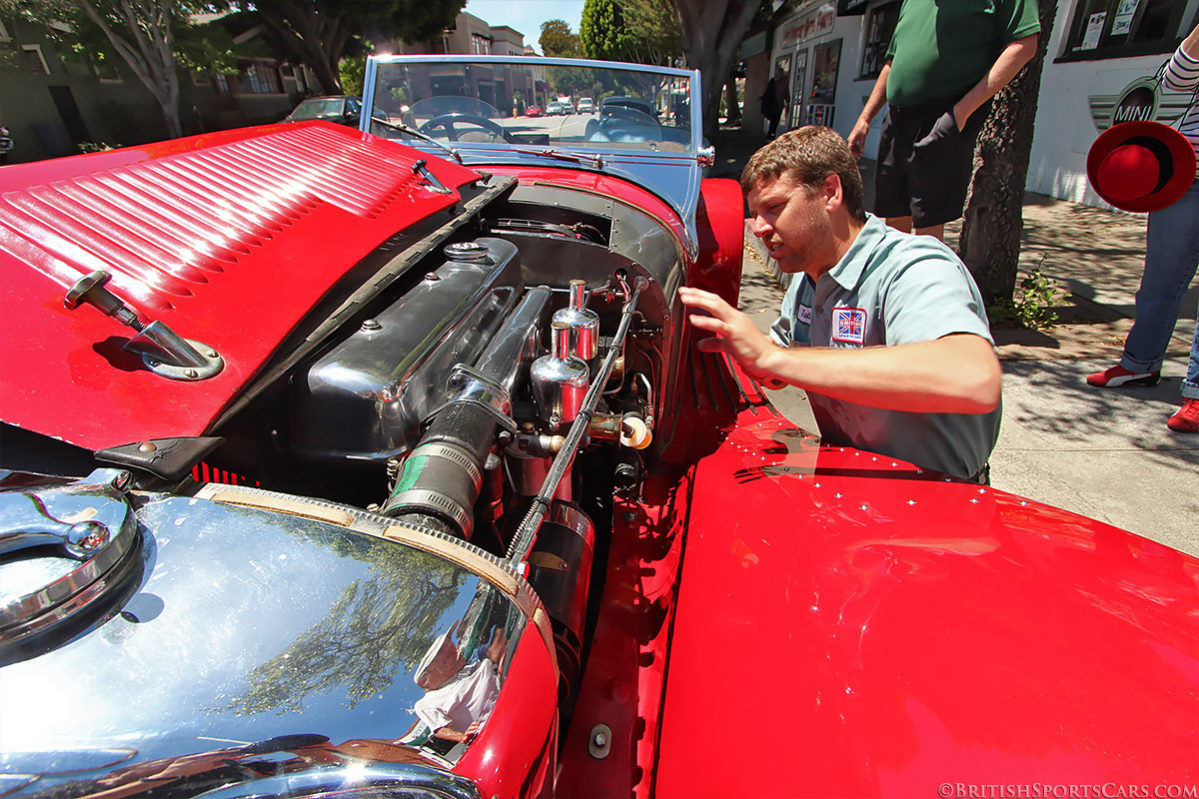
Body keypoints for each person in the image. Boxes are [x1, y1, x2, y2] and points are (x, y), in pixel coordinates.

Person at [679, 127, 1002, 481]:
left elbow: (973, 378)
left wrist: (771, 357)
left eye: (774, 208)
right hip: (856, 490)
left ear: (830, 193)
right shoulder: (809, 278)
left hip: (940, 502)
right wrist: (744, 351)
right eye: (754, 213)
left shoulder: (913, 266)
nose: (757, 227)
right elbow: (778, 368)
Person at [847, 1, 1040, 241]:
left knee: (927, 224)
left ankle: (926, 278)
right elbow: (892, 61)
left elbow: (1024, 45)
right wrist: (865, 118)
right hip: (897, 119)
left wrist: (960, 113)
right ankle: (896, 277)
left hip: (941, 116)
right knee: (894, 217)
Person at [1087, 23, 1199, 434]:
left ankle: (1197, 391)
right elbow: (1174, 81)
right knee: (1160, 280)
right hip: (1187, 174)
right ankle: (1139, 365)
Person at [761, 67, 789, 139]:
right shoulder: (772, 82)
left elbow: (786, 94)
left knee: (776, 120)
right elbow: (767, 93)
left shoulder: (784, 83)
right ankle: (770, 134)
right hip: (772, 104)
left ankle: (772, 133)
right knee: (772, 119)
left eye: (779, 74)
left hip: (779, 105)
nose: (778, 75)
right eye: (777, 74)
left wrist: (787, 104)